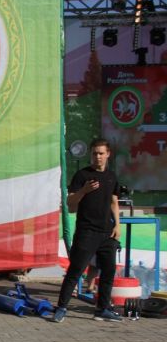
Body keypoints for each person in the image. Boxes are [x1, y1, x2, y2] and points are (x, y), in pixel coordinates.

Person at [52, 138, 122, 323]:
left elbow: (114, 202)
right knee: (76, 270)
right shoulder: (82, 176)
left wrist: (118, 225)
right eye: (94, 153)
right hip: (87, 231)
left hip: (107, 232)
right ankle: (61, 308)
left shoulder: (111, 176)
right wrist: (83, 191)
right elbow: (70, 204)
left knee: (108, 271)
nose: (97, 157)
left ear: (108, 154)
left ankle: (102, 309)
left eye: (101, 153)